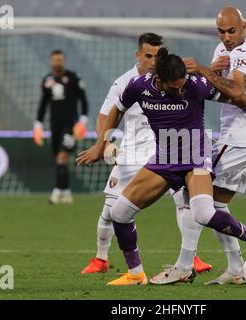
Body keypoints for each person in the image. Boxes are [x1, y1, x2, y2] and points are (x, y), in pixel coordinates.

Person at [76, 47, 246, 286]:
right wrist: (101, 143)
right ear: (159, 80)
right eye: (174, 86)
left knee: (204, 213)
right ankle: (136, 274)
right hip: (164, 160)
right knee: (119, 214)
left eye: (182, 84)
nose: (180, 89)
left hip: (196, 159)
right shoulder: (138, 85)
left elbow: (234, 97)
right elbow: (117, 110)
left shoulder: (195, 84)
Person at [151, 6, 246, 285]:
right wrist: (210, 71)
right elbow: (216, 86)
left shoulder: (243, 54)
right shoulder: (225, 51)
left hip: (240, 140)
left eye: (232, 31)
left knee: (191, 195)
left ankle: (185, 266)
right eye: (222, 31)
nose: (226, 37)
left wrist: (200, 69)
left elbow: (235, 90)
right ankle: (236, 270)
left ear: (244, 26)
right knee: (215, 207)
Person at [81, 33, 212, 274]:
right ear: (138, 55)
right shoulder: (125, 83)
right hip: (131, 153)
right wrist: (106, 144)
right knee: (111, 210)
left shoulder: (172, 79)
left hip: (164, 151)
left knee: (184, 203)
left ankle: (190, 258)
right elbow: (105, 115)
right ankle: (101, 258)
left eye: (157, 55)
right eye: (148, 56)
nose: (153, 61)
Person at [33, 50, 89, 204]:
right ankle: (66, 193)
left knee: (62, 156)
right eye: (55, 60)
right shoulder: (47, 80)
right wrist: (38, 124)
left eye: (60, 60)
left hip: (71, 125)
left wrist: (83, 120)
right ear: (51, 61)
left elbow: (83, 100)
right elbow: (43, 104)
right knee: (58, 158)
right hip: (54, 124)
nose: (57, 62)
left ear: (64, 61)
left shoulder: (73, 77)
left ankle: (57, 192)